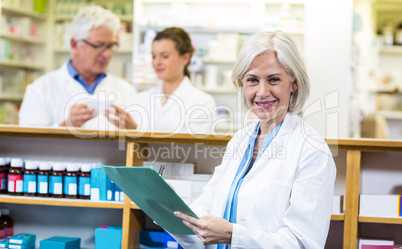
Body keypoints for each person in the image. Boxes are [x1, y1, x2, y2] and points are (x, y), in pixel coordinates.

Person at [172, 30, 336, 248]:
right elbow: (205, 209)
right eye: (252, 80)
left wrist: (232, 235)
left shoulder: (312, 150)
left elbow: (302, 243)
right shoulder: (239, 141)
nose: (262, 92)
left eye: (274, 80)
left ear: (293, 83)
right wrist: (167, 211)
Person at [19, 6, 137, 130]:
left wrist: (133, 130)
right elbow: (28, 142)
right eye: (99, 46)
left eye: (110, 46)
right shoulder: (41, 89)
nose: (107, 54)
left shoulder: (126, 91)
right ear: (74, 45)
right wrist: (66, 126)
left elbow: (143, 146)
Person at [121, 27, 216, 134]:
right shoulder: (139, 100)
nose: (157, 62)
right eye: (154, 56)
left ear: (185, 58)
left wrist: (136, 130)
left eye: (165, 56)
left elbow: (191, 149)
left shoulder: (202, 103)